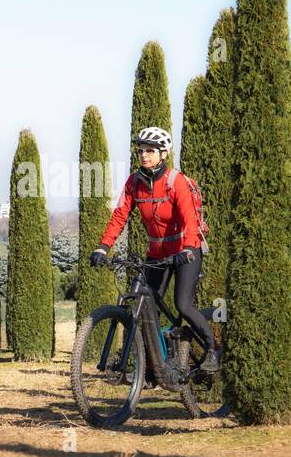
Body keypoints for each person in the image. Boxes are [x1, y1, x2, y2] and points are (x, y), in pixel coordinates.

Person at [88, 127, 221, 372]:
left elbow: (190, 220)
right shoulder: (134, 183)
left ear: (163, 154)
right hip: (157, 254)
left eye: (150, 151)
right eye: (141, 150)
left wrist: (189, 247)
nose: (144, 155)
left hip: (185, 250)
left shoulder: (175, 181)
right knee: (145, 305)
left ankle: (213, 349)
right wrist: (103, 247)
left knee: (183, 304)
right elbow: (119, 216)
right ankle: (151, 367)